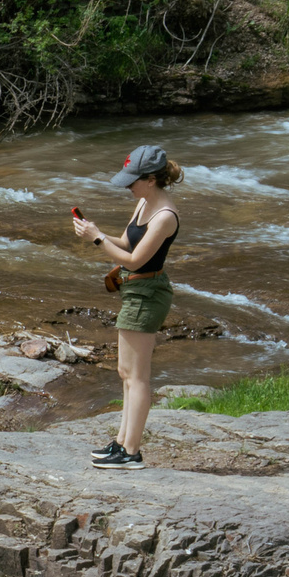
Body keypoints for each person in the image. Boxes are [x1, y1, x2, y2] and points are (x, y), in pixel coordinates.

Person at [70, 144, 181, 471]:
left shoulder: (165, 216)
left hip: (148, 293)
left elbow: (134, 259)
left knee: (137, 376)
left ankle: (131, 451)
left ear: (150, 179)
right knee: (125, 372)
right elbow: (125, 243)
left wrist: (95, 240)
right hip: (135, 289)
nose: (128, 187)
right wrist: (97, 232)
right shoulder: (144, 203)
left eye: (132, 181)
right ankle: (121, 443)